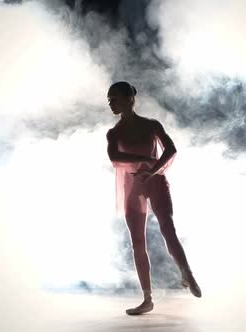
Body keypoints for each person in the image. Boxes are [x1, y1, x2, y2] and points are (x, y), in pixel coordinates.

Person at [106, 81, 201, 315]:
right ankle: (147, 299)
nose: (110, 103)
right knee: (138, 241)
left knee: (168, 229)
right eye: (109, 100)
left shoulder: (151, 125)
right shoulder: (114, 132)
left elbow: (171, 149)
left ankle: (187, 273)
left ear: (130, 98)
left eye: (114, 98)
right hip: (133, 187)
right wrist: (146, 158)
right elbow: (114, 155)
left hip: (155, 182)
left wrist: (153, 169)